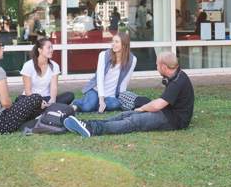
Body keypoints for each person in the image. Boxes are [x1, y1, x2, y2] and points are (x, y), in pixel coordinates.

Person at [64, 51, 194, 138]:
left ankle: (93, 129)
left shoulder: (177, 81)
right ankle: (87, 124)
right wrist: (141, 109)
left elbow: (158, 105)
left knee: (133, 121)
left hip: (173, 121)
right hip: (167, 113)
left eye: (157, 66)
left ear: (164, 67)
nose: (156, 68)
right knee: (125, 114)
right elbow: (162, 102)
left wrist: (142, 108)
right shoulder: (176, 76)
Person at [72, 32, 137, 113]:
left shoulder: (132, 60)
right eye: (113, 41)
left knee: (115, 105)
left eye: (116, 42)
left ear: (124, 44)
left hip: (111, 95)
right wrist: (101, 100)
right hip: (96, 90)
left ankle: (93, 103)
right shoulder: (103, 55)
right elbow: (100, 78)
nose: (113, 44)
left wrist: (121, 97)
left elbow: (124, 82)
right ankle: (77, 103)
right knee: (87, 108)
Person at [20, 37, 74, 105]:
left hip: (47, 98)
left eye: (52, 47)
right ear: (40, 50)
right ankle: (48, 109)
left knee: (69, 95)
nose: (51, 50)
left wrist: (52, 101)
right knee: (27, 104)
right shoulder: (28, 65)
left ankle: (48, 108)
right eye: (48, 47)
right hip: (31, 99)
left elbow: (54, 88)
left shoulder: (54, 66)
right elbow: (28, 91)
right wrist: (40, 103)